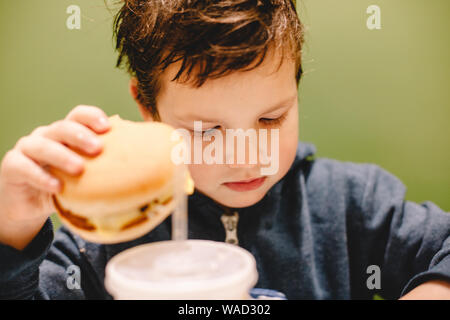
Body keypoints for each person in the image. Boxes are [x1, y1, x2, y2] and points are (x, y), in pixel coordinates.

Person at [0, 0, 449, 300]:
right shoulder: (101, 239)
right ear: (147, 107)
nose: (246, 155)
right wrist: (13, 226)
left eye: (270, 119)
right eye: (206, 129)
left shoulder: (354, 205)